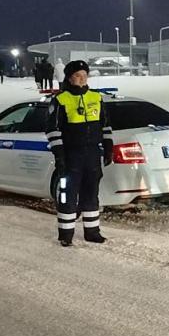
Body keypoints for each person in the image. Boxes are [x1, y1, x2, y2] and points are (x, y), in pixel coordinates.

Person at [45, 60, 113, 247]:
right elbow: (52, 130)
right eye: (77, 76)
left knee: (91, 194)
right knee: (67, 194)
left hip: (92, 155)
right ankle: (65, 234)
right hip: (70, 155)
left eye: (84, 75)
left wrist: (108, 147)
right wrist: (59, 155)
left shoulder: (96, 98)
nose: (82, 79)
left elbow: (105, 125)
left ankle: (92, 232)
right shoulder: (60, 99)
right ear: (69, 78)